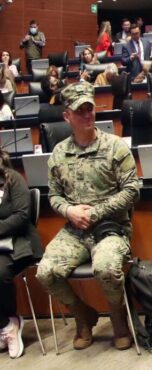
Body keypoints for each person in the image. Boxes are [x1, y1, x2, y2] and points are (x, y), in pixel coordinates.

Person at [35, 82, 139, 351]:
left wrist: (95, 213)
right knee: (46, 273)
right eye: (80, 111)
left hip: (111, 228)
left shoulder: (115, 147)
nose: (87, 115)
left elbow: (132, 191)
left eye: (89, 109)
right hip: (75, 231)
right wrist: (69, 211)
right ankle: (83, 314)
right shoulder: (59, 153)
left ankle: (118, 318)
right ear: (67, 116)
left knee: (105, 267)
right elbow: (54, 196)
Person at [0, 149, 39, 359]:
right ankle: (6, 323)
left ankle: (8, 323)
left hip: (18, 242)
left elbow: (22, 216)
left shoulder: (13, 179)